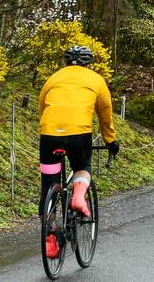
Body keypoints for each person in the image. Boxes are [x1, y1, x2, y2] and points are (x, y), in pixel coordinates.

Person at [38, 45, 120, 256]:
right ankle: (78, 197)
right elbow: (105, 113)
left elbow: (42, 106)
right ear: (88, 63)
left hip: (49, 135)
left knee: (49, 184)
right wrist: (110, 140)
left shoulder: (53, 78)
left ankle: (50, 234)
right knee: (82, 167)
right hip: (78, 134)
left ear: (65, 62)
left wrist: (49, 129)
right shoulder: (95, 79)